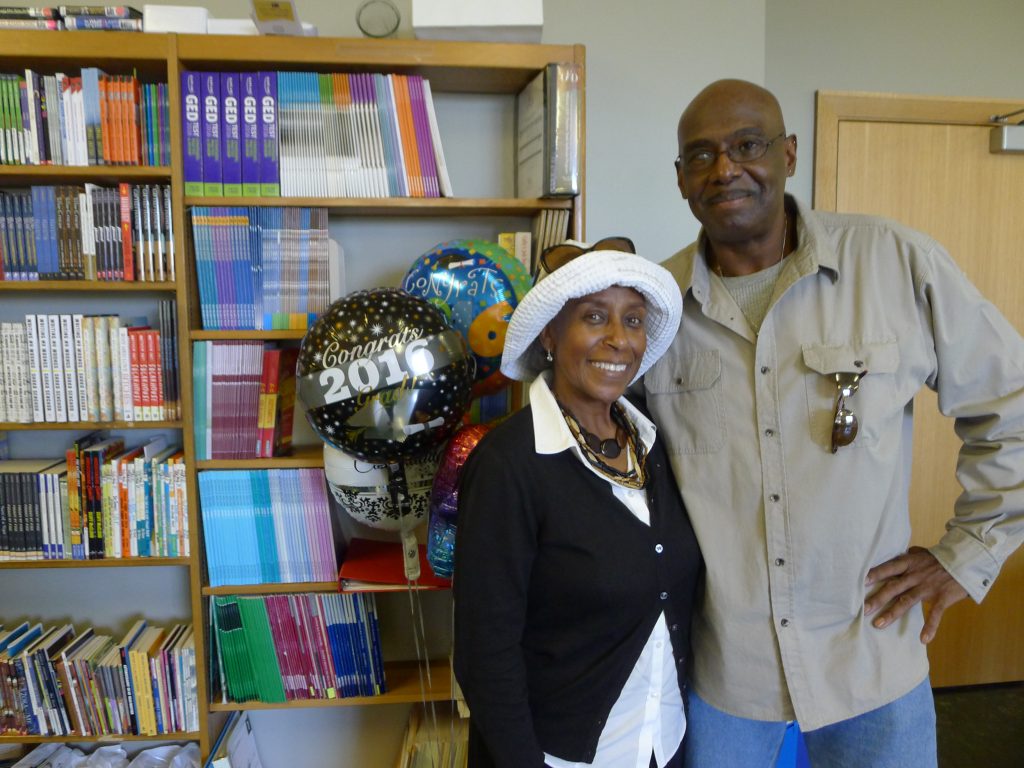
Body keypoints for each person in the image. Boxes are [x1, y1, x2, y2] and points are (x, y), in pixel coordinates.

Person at [643, 77, 1024, 768]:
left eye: (747, 145)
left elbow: (1014, 405)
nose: (725, 168)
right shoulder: (654, 310)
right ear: (680, 180)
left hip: (872, 664)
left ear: (789, 153)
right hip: (726, 679)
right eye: (701, 155)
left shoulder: (896, 264)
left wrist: (966, 555)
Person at [453, 239, 702, 768]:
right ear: (550, 333)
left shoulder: (655, 446)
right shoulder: (509, 465)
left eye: (633, 321)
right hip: (560, 755)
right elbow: (485, 654)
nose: (619, 340)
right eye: (594, 317)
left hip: (663, 739)